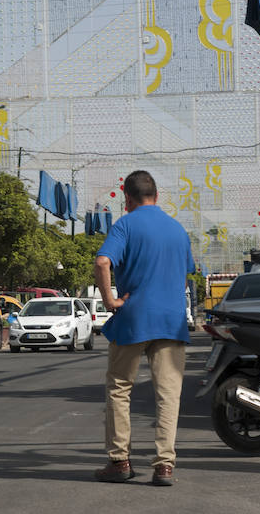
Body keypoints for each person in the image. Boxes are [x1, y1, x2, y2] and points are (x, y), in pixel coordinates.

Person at [92, 170, 195, 487]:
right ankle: (165, 466)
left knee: (120, 389)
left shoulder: (125, 224)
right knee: (168, 397)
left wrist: (109, 299)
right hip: (172, 321)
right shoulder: (178, 230)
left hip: (134, 318)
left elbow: (102, 263)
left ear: (127, 198)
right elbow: (187, 272)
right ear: (157, 196)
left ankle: (120, 461)